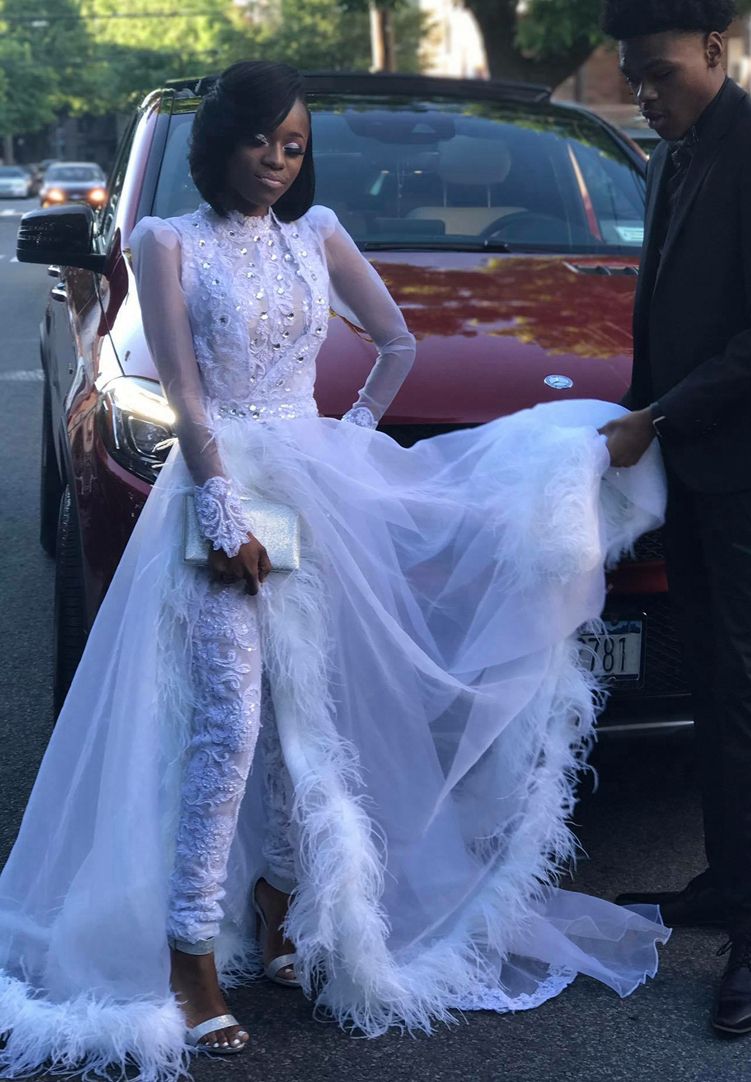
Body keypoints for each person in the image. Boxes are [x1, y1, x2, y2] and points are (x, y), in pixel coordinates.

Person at [0, 60, 670, 1081]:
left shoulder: (316, 233)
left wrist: (347, 439)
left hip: (311, 486)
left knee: (308, 708)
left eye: (294, 146)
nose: (277, 161)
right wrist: (222, 506)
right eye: (260, 140)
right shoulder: (165, 240)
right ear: (219, 144)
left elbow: (395, 343)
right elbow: (184, 395)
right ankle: (189, 956)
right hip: (220, 492)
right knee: (228, 724)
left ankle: (279, 902)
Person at [599, 0, 751, 1037]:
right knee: (709, 686)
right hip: (690, 474)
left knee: (743, 699)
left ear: (714, 49)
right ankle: (726, 883)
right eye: (632, 80)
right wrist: (638, 419)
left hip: (741, 472)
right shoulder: (671, 156)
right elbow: (663, 316)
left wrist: (657, 418)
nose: (645, 97)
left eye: (659, 74)